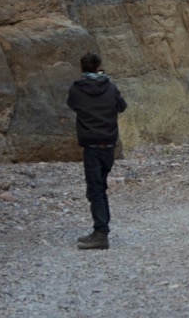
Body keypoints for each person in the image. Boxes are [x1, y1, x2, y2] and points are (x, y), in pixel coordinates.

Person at [66, 52, 127, 250]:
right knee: (99, 189)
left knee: (96, 190)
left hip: (91, 147)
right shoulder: (110, 87)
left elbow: (72, 105)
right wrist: (105, 81)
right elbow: (122, 107)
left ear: (82, 68)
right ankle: (100, 230)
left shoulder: (77, 89)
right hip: (108, 146)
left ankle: (101, 233)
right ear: (99, 66)